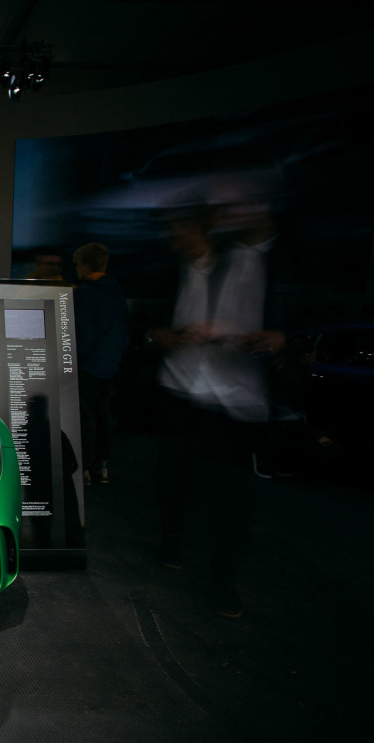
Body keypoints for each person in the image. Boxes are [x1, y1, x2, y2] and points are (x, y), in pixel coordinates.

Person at [146, 201, 284, 618]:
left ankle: (223, 579)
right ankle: (172, 538)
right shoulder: (174, 270)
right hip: (182, 389)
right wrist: (164, 337)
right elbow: (151, 328)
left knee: (232, 497)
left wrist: (263, 339)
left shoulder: (241, 264)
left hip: (235, 400)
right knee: (174, 476)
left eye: (181, 228)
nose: (175, 237)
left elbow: (275, 329)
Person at [72, 243, 130, 486]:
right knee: (103, 414)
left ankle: (83, 468)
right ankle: (101, 465)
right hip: (110, 364)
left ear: (83, 265)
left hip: (87, 365)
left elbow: (81, 333)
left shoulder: (83, 293)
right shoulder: (117, 292)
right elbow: (124, 331)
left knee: (85, 417)